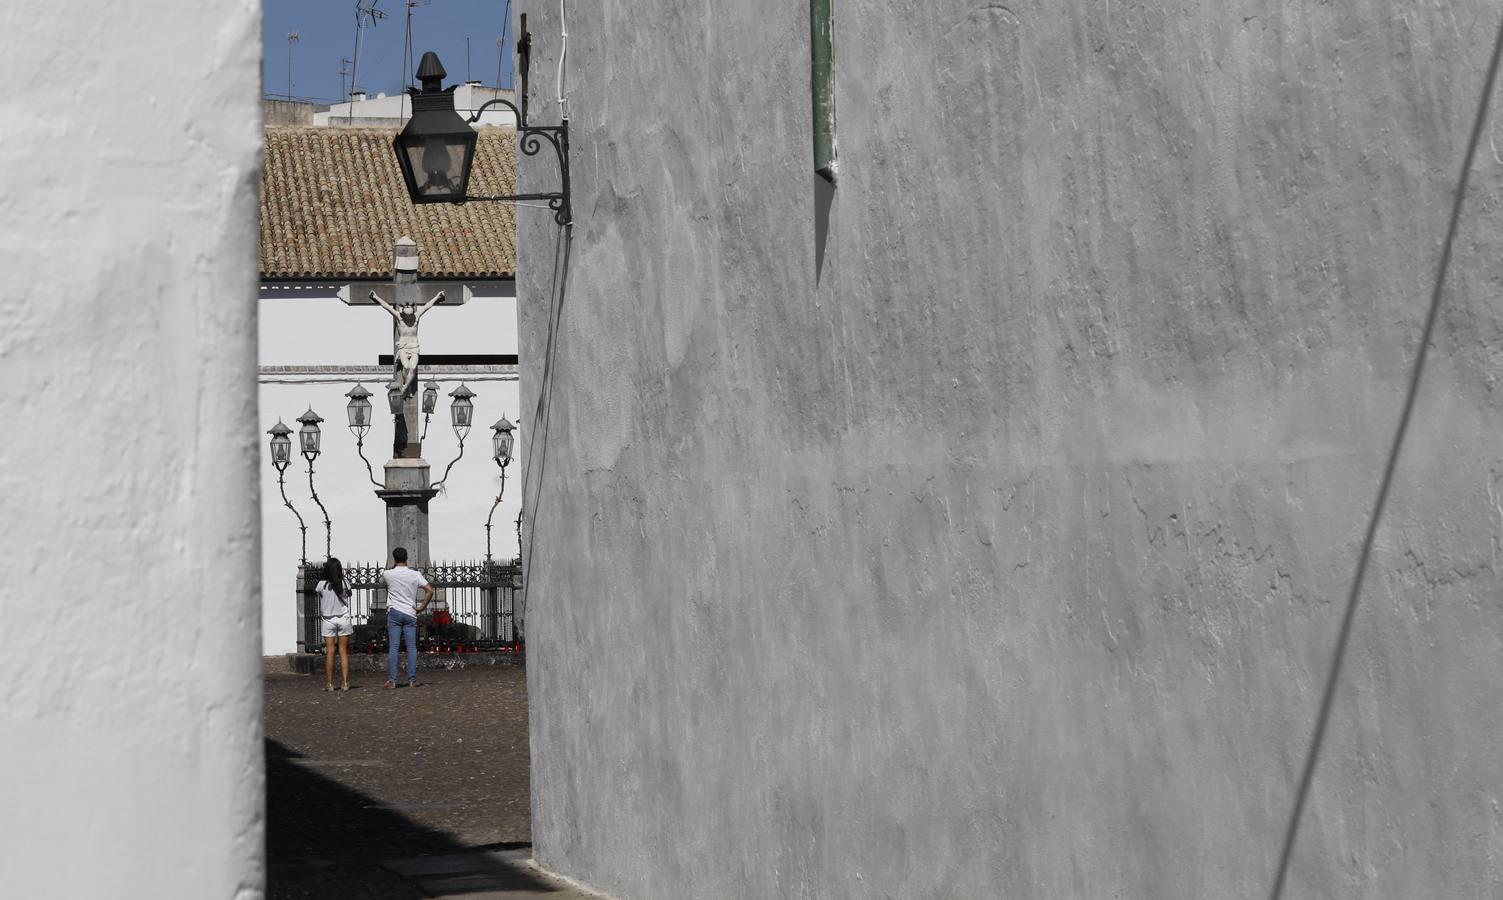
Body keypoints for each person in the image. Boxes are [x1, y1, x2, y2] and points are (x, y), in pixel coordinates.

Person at [381, 547, 433, 688]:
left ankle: (392, 680)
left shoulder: (387, 574)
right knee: (411, 647)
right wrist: (422, 607)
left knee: (394, 647)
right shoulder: (415, 575)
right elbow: (429, 590)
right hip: (410, 613)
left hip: (394, 612)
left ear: (394, 558)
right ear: (406, 558)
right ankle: (412, 679)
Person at [317, 558, 353, 692]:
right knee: (343, 652)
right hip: (343, 618)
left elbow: (320, 594)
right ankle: (345, 683)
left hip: (328, 620)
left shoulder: (322, 584)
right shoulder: (344, 582)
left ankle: (330, 684)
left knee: (330, 652)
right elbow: (349, 593)